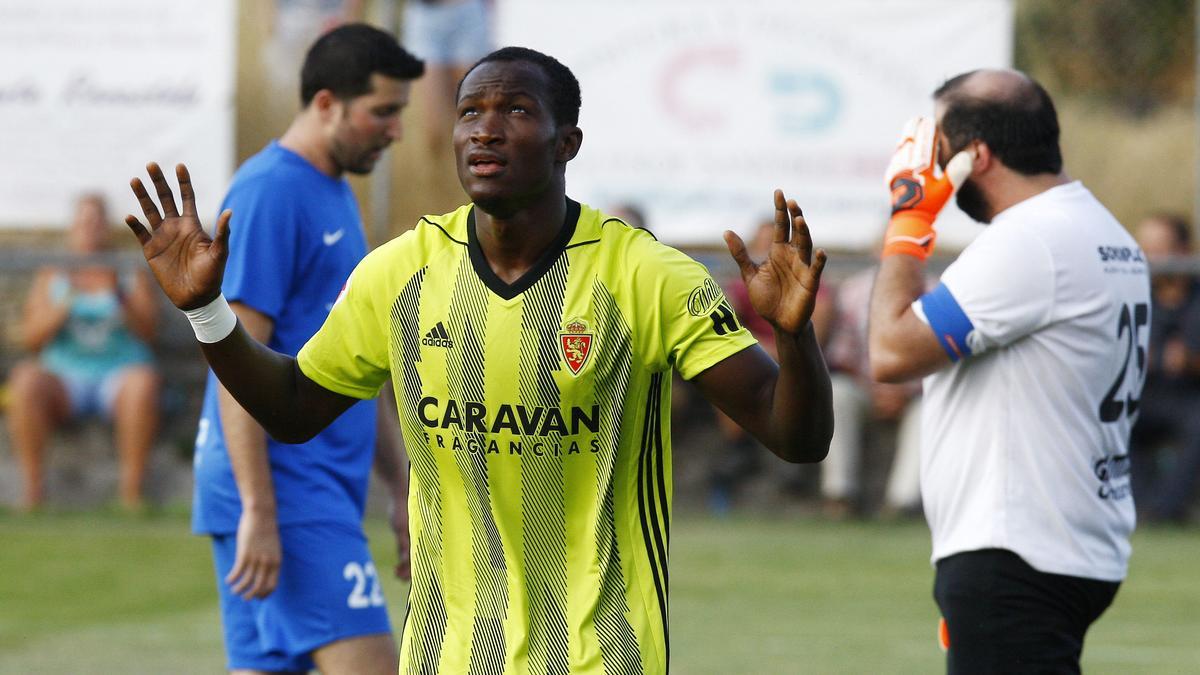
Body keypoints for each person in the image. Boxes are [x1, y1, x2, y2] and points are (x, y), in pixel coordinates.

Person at [125, 46, 833, 673]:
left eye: (516, 110)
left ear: (566, 142)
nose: (485, 129)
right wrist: (207, 312)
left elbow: (797, 437)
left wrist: (795, 339)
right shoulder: (399, 273)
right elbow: (291, 407)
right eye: (469, 112)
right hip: (448, 654)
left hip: (599, 656)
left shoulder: (644, 275)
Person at [867, 69, 1150, 673]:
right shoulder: (1104, 230)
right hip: (1070, 542)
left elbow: (890, 352)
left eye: (937, 155)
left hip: (1016, 552)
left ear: (978, 157)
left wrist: (908, 222)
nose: (931, 170)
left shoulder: (1032, 242)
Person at [184, 25, 423, 675]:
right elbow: (237, 362)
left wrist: (401, 485)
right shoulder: (271, 192)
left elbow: (349, 365)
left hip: (309, 492)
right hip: (289, 494)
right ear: (326, 104)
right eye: (384, 111)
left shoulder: (334, 191)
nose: (396, 130)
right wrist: (260, 508)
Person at [5, 194, 160, 512]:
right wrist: (67, 300)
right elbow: (32, 339)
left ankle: (131, 498)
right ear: (73, 227)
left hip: (118, 375)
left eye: (97, 221)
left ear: (107, 227)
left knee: (143, 382)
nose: (90, 228)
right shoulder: (53, 274)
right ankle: (33, 497)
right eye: (84, 221)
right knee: (23, 380)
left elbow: (148, 333)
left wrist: (118, 293)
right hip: (65, 378)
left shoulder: (128, 270)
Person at [823, 263, 923, 518]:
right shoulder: (853, 290)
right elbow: (840, 356)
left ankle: (902, 503)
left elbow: (939, 356)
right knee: (837, 393)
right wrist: (874, 389)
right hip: (864, 386)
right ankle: (839, 496)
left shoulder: (933, 289)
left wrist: (903, 391)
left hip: (912, 392)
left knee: (929, 410)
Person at [1130, 213, 1200, 522]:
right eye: (1145, 249)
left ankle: (1164, 512)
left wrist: (1190, 361)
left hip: (1190, 399)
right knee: (1111, 417)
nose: (1151, 259)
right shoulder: (1133, 296)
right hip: (1144, 394)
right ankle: (1141, 508)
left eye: (1160, 249)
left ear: (1184, 251)